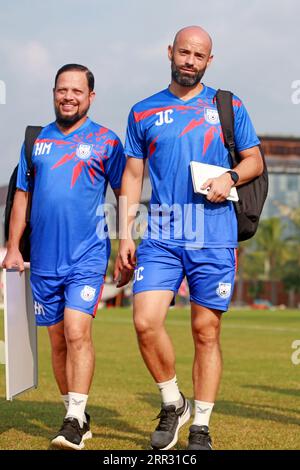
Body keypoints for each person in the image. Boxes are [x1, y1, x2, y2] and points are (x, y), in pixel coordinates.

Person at [115, 26, 263, 450]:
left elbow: (254, 160)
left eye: (199, 55)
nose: (190, 61)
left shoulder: (228, 105)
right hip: (161, 235)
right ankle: (171, 401)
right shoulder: (143, 111)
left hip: (214, 235)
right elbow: (133, 173)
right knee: (145, 322)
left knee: (205, 331)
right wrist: (125, 234)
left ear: (208, 61)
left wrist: (230, 176)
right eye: (184, 52)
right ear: (170, 52)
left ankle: (200, 425)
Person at [2, 64, 127, 450]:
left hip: (86, 257)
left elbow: (126, 191)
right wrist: (11, 247)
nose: (68, 97)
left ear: (91, 96)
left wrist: (126, 241)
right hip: (42, 260)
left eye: (76, 91)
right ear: (54, 93)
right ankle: (77, 414)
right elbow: (22, 196)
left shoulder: (107, 141)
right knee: (57, 342)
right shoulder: (36, 141)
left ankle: (72, 419)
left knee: (76, 331)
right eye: (62, 90)